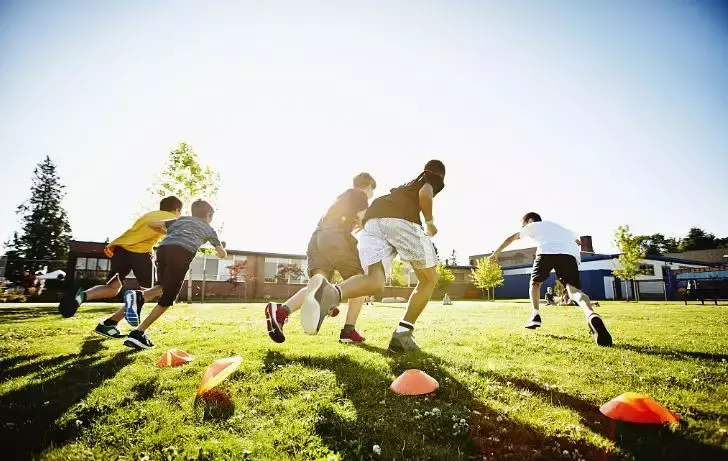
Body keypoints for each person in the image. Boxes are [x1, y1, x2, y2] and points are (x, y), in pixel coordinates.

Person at [299, 160, 446, 353]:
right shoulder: (431, 177)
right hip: (400, 221)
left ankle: (330, 294)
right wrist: (429, 222)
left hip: (373, 222)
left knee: (375, 282)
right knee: (429, 279)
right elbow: (425, 193)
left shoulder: (402, 188)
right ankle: (402, 335)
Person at [265, 173, 377, 344]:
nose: (370, 195)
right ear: (368, 186)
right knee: (360, 282)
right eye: (372, 192)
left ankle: (280, 312)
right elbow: (366, 220)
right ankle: (349, 330)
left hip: (318, 240)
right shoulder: (359, 195)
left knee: (317, 288)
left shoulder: (341, 199)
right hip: (336, 239)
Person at [58, 196, 183, 340]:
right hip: (141, 253)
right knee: (147, 293)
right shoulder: (173, 218)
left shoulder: (148, 215)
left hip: (121, 250)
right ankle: (111, 322)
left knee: (113, 288)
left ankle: (82, 296)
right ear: (177, 209)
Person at [490, 212, 612, 346]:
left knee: (535, 283)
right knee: (574, 290)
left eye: (523, 224)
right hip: (569, 255)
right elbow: (577, 241)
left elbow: (511, 238)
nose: (523, 227)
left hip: (547, 251)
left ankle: (535, 315)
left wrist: (496, 253)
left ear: (529, 221)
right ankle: (591, 314)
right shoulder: (559, 227)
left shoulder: (533, 225)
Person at [122, 199, 226, 349]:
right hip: (181, 252)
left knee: (163, 286)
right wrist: (222, 247)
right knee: (168, 297)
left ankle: (138, 297)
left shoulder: (181, 220)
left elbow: (152, 224)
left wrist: (170, 232)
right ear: (209, 215)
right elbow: (221, 254)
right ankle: (139, 333)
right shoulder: (209, 229)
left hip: (163, 250)